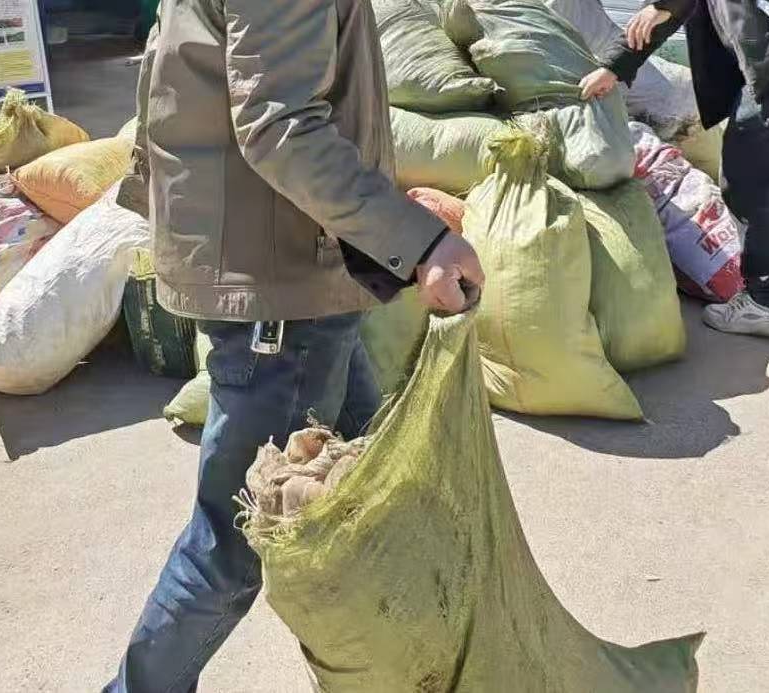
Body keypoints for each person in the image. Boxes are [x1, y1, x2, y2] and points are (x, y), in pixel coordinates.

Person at [102, 0, 485, 690]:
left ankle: (405, 670)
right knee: (236, 542)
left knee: (371, 492)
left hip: (287, 268)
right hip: (280, 293)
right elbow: (280, 127)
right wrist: (419, 240)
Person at [579, 0, 769, 385]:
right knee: (742, 184)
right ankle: (765, 300)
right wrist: (613, 68)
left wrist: (661, 6)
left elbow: (668, 8)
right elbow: (670, 14)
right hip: (761, 70)